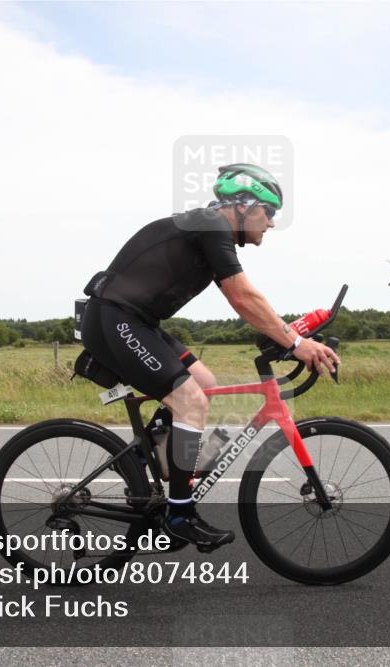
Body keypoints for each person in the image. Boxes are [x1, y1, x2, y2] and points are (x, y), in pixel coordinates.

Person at [79, 163, 341, 549]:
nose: (271, 222)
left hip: (137, 322)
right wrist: (295, 343)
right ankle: (179, 515)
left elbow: (249, 301)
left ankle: (141, 459)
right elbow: (243, 297)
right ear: (245, 205)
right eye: (269, 211)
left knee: (204, 382)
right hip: (114, 319)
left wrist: (287, 336)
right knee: (191, 402)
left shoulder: (210, 230)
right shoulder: (211, 225)